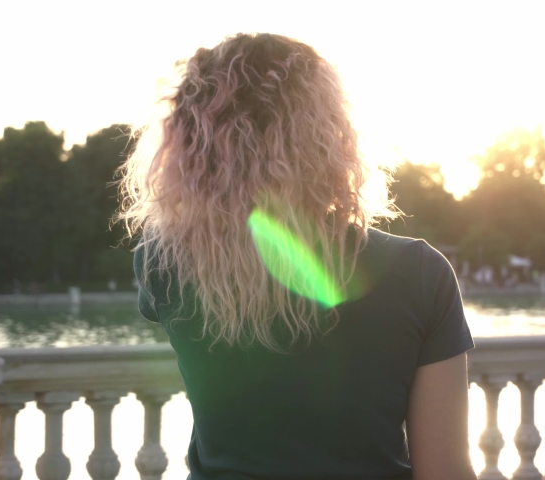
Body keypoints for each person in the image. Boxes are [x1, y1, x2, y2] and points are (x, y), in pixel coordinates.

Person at [119, 33, 476, 480]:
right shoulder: (419, 273)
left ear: (191, 142)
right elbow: (445, 471)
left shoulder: (163, 263)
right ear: (330, 134)